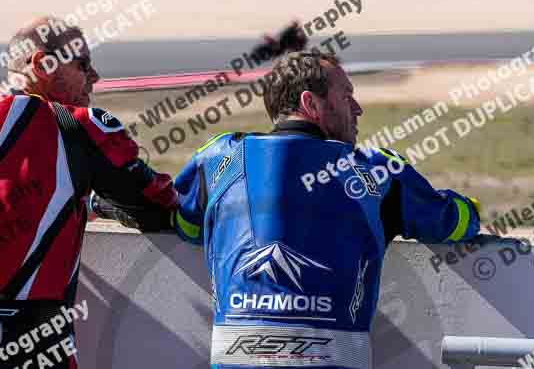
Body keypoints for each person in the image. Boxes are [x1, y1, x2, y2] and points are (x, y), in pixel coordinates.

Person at [0, 16, 178, 369]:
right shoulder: (80, 125)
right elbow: (157, 206)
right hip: (30, 336)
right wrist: (95, 203)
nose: (95, 77)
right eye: (83, 64)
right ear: (42, 64)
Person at [170, 50, 481, 369]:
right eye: (347, 96)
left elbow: (187, 225)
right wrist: (471, 208)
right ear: (312, 104)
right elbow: (453, 223)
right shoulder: (374, 171)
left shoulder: (217, 159)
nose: (357, 108)